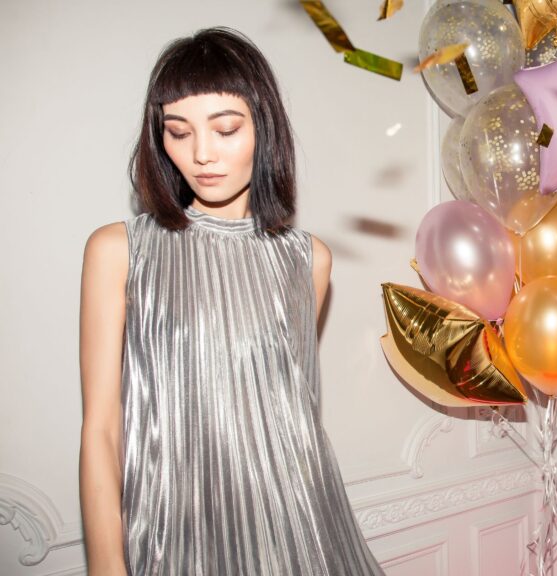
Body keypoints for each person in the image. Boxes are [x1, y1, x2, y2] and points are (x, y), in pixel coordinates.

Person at [78, 27, 385, 575]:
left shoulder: (308, 260)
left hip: (302, 538)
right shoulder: (119, 251)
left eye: (225, 129)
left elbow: (287, 418)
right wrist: (106, 566)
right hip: (176, 542)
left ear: (263, 130)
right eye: (178, 131)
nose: (200, 153)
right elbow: (101, 427)